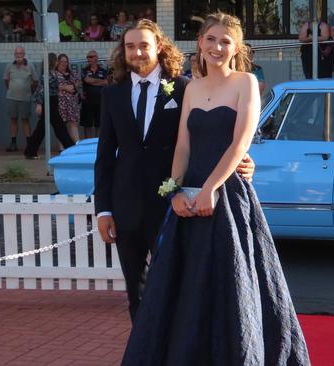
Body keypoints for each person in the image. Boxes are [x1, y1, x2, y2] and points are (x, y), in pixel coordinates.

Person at [121, 13, 309, 365]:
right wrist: (174, 191)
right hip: (189, 199)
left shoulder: (246, 83)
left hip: (228, 197)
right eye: (211, 39)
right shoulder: (191, 87)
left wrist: (209, 189)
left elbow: (240, 144)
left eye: (226, 41)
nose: (217, 47)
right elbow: (182, 148)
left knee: (232, 283)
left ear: (236, 47)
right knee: (185, 286)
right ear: (200, 43)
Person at [94, 18, 255, 325]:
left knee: (178, 284)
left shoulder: (183, 88)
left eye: (144, 46)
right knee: (135, 291)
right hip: (126, 205)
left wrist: (246, 159)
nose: (138, 53)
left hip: (173, 204)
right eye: (131, 46)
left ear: (159, 48)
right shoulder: (112, 94)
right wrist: (103, 210)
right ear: (123, 51)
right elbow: (104, 156)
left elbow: (211, 134)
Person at [23, 53, 74, 159]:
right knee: (59, 127)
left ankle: (30, 150)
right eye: (56, 60)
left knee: (43, 128)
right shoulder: (46, 75)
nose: (57, 62)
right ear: (53, 61)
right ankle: (71, 148)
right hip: (49, 101)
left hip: (53, 101)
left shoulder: (53, 73)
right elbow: (41, 90)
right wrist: (39, 104)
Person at [3, 46, 38, 152]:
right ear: (14, 55)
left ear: (24, 54)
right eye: (16, 54)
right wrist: (11, 89)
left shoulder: (30, 65)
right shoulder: (9, 65)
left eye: (20, 53)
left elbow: (35, 81)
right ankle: (13, 144)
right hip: (11, 97)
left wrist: (29, 91)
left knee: (25, 120)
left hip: (25, 98)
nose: (18, 56)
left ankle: (29, 144)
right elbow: (6, 80)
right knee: (13, 120)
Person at [53, 53, 81, 145]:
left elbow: (77, 85)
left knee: (73, 123)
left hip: (72, 104)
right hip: (60, 104)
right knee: (61, 125)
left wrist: (67, 86)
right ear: (58, 62)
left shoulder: (72, 74)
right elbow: (56, 86)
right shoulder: (54, 74)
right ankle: (62, 148)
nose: (64, 63)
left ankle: (77, 145)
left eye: (65, 61)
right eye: (62, 61)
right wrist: (66, 87)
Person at [80, 50, 108, 139]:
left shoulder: (103, 71)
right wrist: (100, 81)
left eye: (90, 57)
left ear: (96, 57)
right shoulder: (84, 70)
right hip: (87, 101)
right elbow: (86, 80)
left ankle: (97, 143)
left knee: (99, 124)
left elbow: (107, 82)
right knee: (87, 124)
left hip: (100, 100)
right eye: (87, 57)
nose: (88, 59)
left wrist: (93, 81)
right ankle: (88, 143)